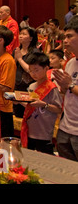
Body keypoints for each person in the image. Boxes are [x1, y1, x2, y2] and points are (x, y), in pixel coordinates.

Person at [19, 52, 62, 154]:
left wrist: (44, 104)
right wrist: (19, 101)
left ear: (46, 68)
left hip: (44, 132)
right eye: (31, 71)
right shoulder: (31, 86)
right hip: (30, 129)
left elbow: (58, 109)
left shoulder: (52, 88)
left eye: (36, 70)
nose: (33, 73)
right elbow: (31, 106)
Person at [52, 16, 78, 161]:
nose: (65, 41)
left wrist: (70, 85)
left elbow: (71, 86)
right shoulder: (70, 63)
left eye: (69, 36)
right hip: (65, 127)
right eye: (64, 36)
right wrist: (62, 87)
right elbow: (66, 93)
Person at [12, 26, 40, 118]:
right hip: (17, 84)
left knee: (29, 115)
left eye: (24, 34)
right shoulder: (17, 50)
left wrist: (19, 59)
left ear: (31, 38)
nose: (20, 36)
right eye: (20, 34)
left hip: (29, 86)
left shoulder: (35, 52)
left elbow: (30, 70)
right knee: (17, 115)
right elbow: (13, 67)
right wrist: (15, 60)